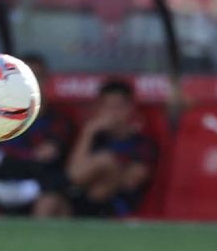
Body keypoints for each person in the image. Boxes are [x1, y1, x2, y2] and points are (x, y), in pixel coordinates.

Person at [0, 53, 76, 217]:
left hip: (40, 188)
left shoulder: (59, 120)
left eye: (37, 76)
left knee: (54, 200)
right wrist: (28, 158)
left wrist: (15, 158)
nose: (32, 83)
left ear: (47, 81)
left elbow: (50, 157)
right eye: (24, 77)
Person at [66, 79, 157, 217]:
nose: (113, 113)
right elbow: (74, 173)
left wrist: (108, 169)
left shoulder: (141, 143)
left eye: (118, 107)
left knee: (105, 164)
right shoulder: (93, 139)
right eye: (107, 107)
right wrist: (89, 131)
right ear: (98, 109)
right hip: (82, 200)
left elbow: (131, 180)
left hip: (118, 206)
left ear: (130, 108)